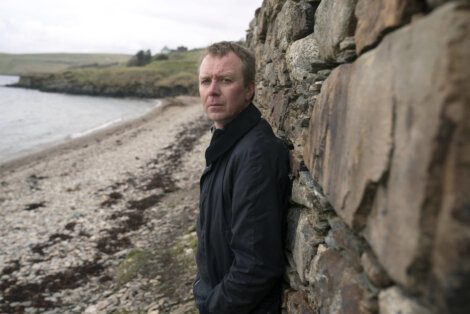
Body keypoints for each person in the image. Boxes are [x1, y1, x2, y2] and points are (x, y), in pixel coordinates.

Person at [193, 41, 290, 314]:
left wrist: (211, 307)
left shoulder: (255, 154)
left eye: (225, 80)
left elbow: (257, 265)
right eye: (205, 81)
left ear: (249, 90)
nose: (212, 91)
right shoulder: (226, 143)